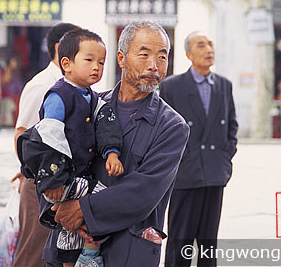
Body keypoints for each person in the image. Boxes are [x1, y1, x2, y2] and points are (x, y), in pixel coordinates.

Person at [41, 21, 190, 267]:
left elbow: (143, 192)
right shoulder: (90, 105)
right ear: (121, 58)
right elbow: (49, 153)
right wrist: (56, 207)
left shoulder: (172, 126)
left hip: (127, 252)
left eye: (162, 57)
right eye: (144, 55)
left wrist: (82, 211)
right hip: (67, 245)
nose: (154, 65)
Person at [18, 27, 124, 267]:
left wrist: (112, 153)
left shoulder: (94, 98)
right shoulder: (58, 95)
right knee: (80, 212)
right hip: (61, 177)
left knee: (87, 212)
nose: (96, 67)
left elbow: (106, 125)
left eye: (101, 62)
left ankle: (85, 253)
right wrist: (54, 180)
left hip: (80, 176)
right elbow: (50, 136)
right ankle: (84, 256)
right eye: (89, 60)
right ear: (66, 63)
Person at [160, 31, 238, 267]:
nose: (208, 49)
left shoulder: (224, 85)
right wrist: (179, 162)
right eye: (201, 45)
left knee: (208, 242)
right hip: (185, 175)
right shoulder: (172, 86)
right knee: (180, 240)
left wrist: (226, 158)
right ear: (188, 54)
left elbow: (231, 126)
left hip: (215, 174)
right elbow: (164, 131)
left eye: (211, 44)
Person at [12, 22, 78, 267]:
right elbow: (21, 134)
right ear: (62, 48)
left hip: (60, 185)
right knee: (32, 253)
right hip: (41, 186)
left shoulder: (71, 83)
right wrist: (34, 174)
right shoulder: (43, 84)